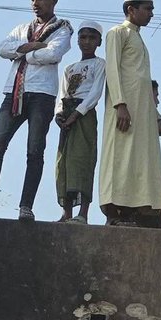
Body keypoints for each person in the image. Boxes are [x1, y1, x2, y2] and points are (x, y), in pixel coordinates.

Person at [0, 0, 71, 220]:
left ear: (54, 0)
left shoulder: (63, 28)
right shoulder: (23, 28)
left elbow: (53, 54)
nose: (36, 4)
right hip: (14, 91)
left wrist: (23, 52)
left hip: (42, 94)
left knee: (34, 150)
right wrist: (33, 46)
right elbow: (2, 48)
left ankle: (26, 207)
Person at [99, 0, 161, 228]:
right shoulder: (117, 33)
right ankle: (116, 210)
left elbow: (143, 80)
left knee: (139, 159)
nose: (151, 14)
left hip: (142, 111)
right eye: (147, 9)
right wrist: (120, 104)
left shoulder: (138, 38)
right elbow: (113, 71)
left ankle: (139, 210)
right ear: (131, 9)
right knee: (120, 157)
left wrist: (156, 115)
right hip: (124, 109)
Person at [55, 21, 106, 223]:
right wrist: (59, 114)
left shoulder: (99, 64)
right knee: (64, 163)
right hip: (66, 114)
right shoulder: (70, 68)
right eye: (82, 37)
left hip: (84, 115)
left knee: (82, 161)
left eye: (91, 38)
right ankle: (66, 213)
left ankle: (82, 213)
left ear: (99, 41)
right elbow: (61, 94)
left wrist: (77, 113)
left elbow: (95, 93)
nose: (86, 41)